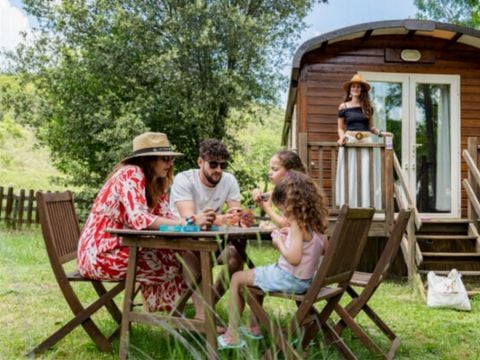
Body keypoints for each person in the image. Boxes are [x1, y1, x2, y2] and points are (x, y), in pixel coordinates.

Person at [77, 132, 187, 312]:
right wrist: (183, 225)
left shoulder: (154, 182)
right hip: (99, 254)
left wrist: (192, 221)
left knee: (175, 258)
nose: (170, 164)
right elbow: (141, 219)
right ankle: (167, 319)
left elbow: (167, 217)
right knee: (171, 262)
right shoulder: (130, 173)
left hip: (121, 247)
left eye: (172, 159)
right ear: (149, 160)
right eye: (165, 158)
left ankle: (168, 318)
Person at [217, 170, 329, 349]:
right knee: (255, 275)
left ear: (291, 204)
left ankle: (232, 336)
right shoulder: (317, 222)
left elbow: (293, 258)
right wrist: (290, 238)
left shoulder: (297, 223)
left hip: (290, 278)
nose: (284, 214)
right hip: (307, 280)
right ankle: (254, 327)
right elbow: (323, 250)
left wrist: (279, 242)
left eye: (283, 209)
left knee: (237, 277)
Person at [169, 138, 253, 321]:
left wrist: (241, 219)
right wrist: (221, 220)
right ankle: (203, 317)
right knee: (195, 249)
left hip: (211, 242)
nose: (218, 170)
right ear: (200, 162)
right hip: (178, 240)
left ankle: (210, 300)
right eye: (213, 164)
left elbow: (234, 216)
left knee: (237, 254)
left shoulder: (229, 180)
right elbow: (190, 222)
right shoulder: (184, 180)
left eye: (222, 165)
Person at [336, 74, 392, 207]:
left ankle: (365, 205)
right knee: (349, 172)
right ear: (349, 90)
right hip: (349, 141)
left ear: (362, 90)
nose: (355, 88)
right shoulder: (343, 106)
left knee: (365, 172)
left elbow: (371, 127)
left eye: (358, 87)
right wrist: (341, 137)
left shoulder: (367, 107)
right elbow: (340, 128)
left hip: (366, 141)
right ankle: (348, 204)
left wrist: (381, 133)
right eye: (353, 86)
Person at [251, 150, 306, 228]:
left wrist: (267, 208)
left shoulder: (295, 193)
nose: (269, 172)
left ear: (290, 172)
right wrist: (256, 192)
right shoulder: (281, 190)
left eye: (275, 169)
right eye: (270, 169)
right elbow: (265, 196)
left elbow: (286, 224)